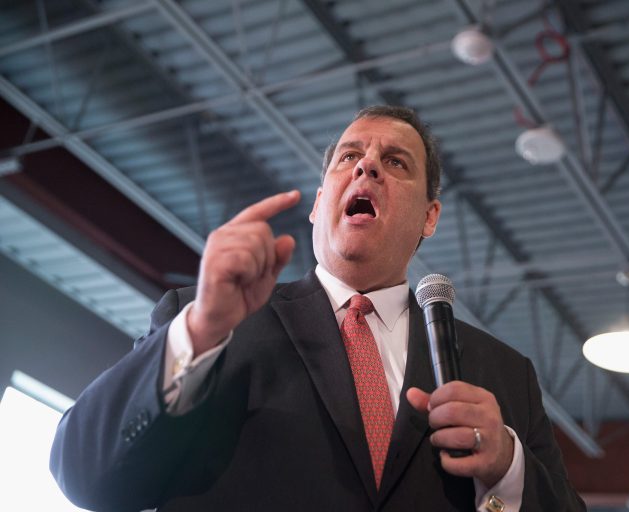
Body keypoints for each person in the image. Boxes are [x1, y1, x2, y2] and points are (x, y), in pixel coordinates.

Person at [50, 106, 585, 511]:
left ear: (430, 216)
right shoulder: (212, 324)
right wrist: (201, 330)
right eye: (350, 157)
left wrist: (508, 470)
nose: (367, 166)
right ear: (318, 203)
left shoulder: (506, 376)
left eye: (394, 162)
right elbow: (85, 474)